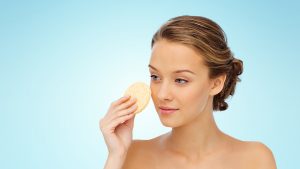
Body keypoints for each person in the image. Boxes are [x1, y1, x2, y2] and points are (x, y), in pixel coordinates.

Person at [99, 15, 277, 169]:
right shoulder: (133, 155)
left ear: (216, 83)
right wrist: (116, 157)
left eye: (180, 80)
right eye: (155, 77)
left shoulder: (255, 159)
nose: (162, 94)